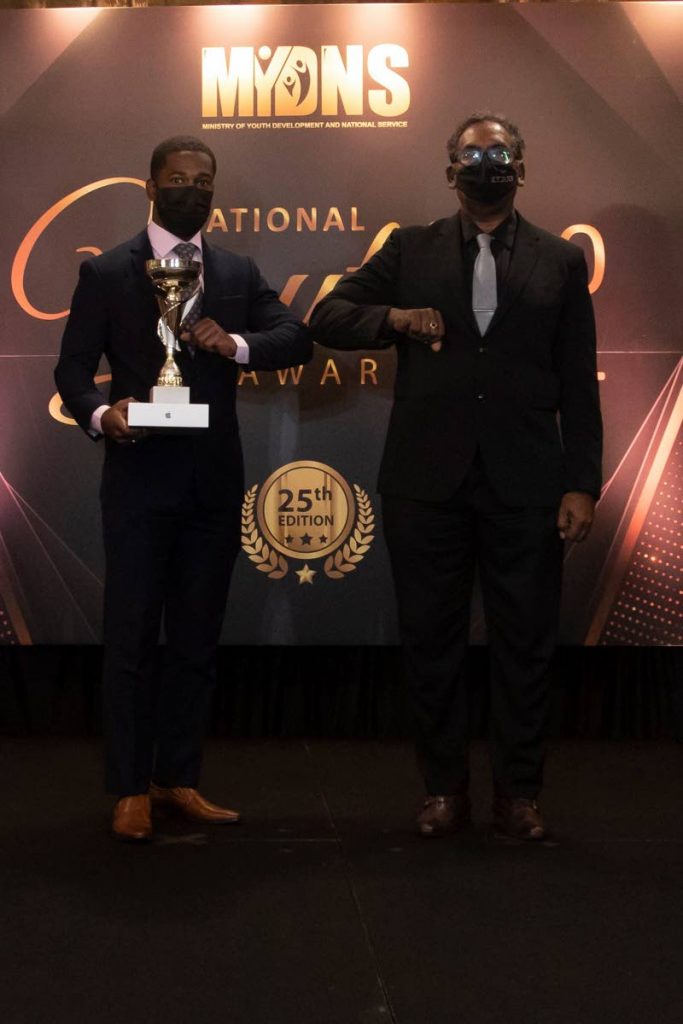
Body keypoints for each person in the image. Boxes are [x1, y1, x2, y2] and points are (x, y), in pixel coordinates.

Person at [310, 113, 602, 840]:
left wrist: (581, 482)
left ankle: (519, 794)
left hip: (527, 483)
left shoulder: (560, 260)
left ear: (520, 167)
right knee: (430, 641)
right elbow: (327, 316)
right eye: (470, 154)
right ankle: (442, 790)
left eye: (499, 152)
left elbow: (577, 384)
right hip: (424, 482)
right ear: (449, 171)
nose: (485, 163)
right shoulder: (408, 249)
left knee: (525, 645)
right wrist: (398, 319)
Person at [55, 136, 311, 842]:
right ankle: (130, 787)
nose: (191, 190)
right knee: (132, 639)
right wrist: (104, 415)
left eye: (203, 181)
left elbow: (296, 337)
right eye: (177, 179)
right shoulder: (107, 272)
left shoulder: (235, 271)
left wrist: (235, 344)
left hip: (210, 482)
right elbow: (72, 371)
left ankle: (179, 778)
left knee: (196, 639)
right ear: (150, 186)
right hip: (138, 479)